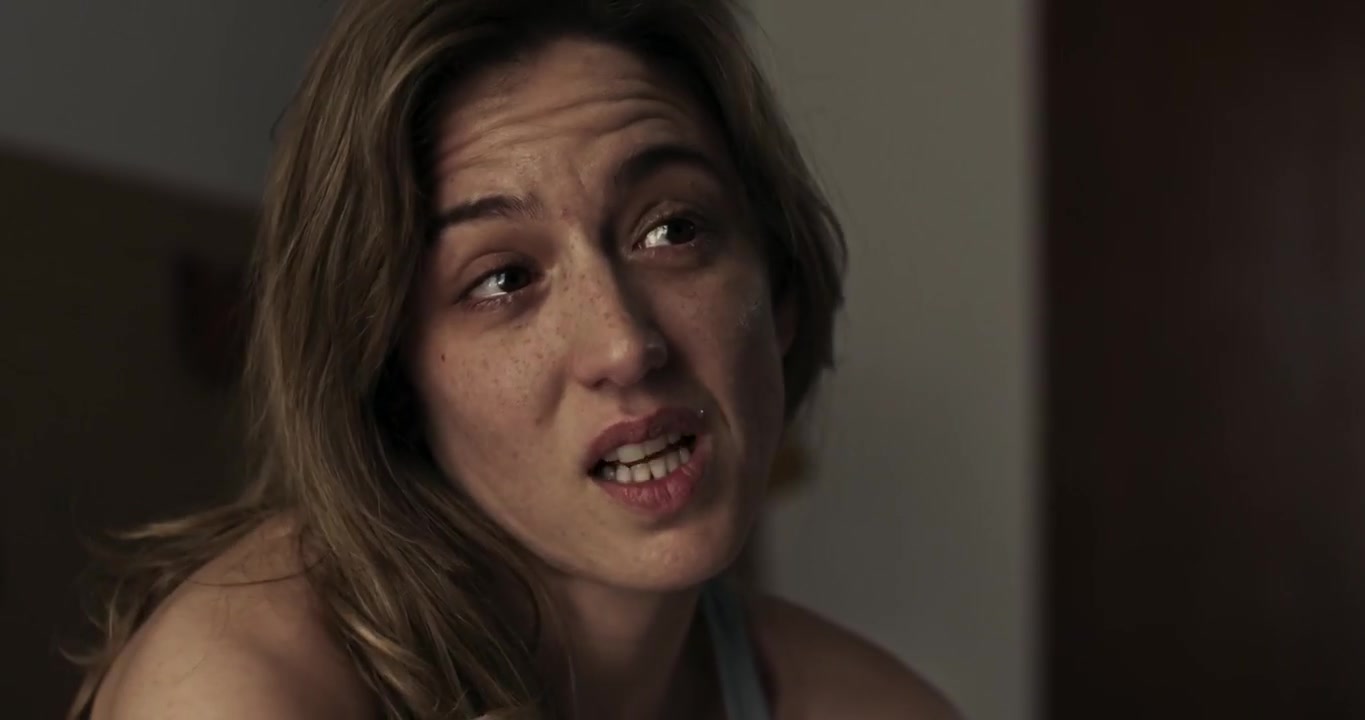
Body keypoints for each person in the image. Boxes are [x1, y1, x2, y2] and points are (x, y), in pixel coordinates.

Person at [69, 1, 960, 718]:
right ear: (390, 380)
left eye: (672, 229)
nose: (624, 344)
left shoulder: (869, 705)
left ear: (781, 289)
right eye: (502, 279)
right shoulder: (235, 685)